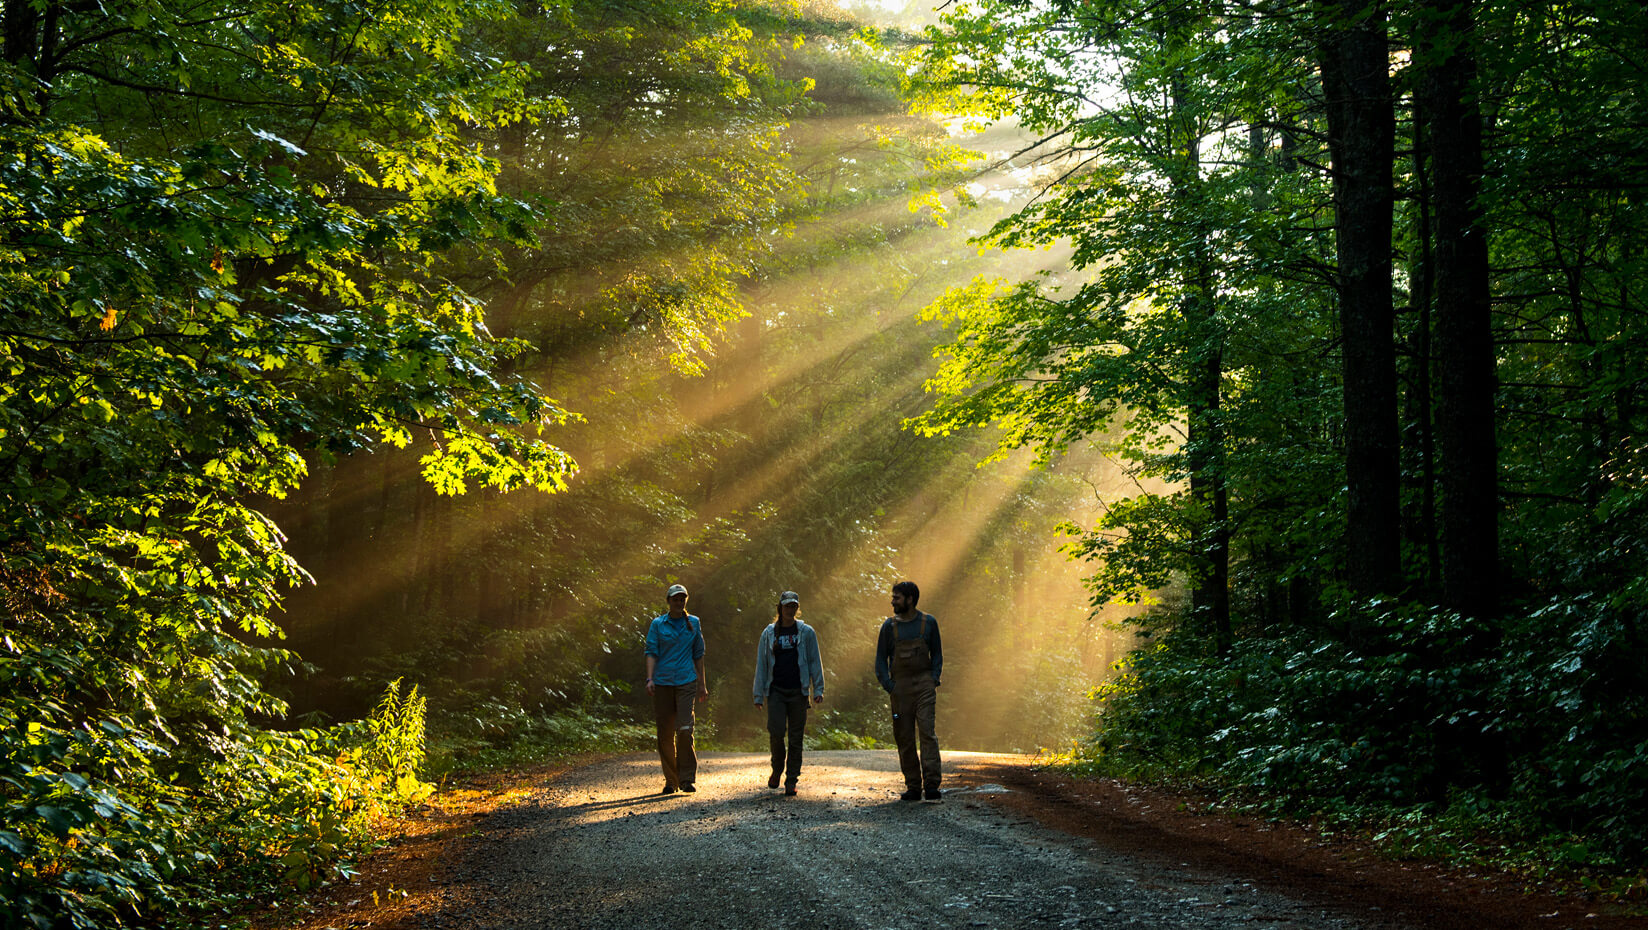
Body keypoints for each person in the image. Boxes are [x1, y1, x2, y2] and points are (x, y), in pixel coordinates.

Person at [874, 580, 943, 802]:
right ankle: (913, 786)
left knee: (927, 732)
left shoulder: (928, 623)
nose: (892, 601)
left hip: (924, 686)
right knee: (903, 736)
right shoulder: (888, 626)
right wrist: (889, 685)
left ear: (910, 599)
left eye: (897, 597)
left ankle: (932, 785)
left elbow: (938, 655)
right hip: (900, 689)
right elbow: (880, 660)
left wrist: (933, 679)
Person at [752, 590, 825, 796]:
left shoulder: (806, 632)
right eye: (787, 606)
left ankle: (791, 779)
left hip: (798, 692)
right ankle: (777, 768)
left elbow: (814, 661)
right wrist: (758, 694)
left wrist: (818, 688)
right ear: (780, 608)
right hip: (775, 691)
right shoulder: (768, 633)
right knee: (776, 733)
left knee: (796, 738)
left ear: (797, 608)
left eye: (793, 606)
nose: (790, 610)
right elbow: (762, 665)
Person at [645, 583, 709, 794]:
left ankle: (687, 778)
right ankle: (671, 781)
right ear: (669, 601)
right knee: (665, 734)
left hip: (686, 681)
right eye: (675, 599)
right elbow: (651, 651)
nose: (679, 602)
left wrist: (702, 684)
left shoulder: (694, 623)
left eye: (682, 599)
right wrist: (650, 679)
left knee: (684, 729)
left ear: (685, 601)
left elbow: (698, 654)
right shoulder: (658, 624)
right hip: (662, 682)